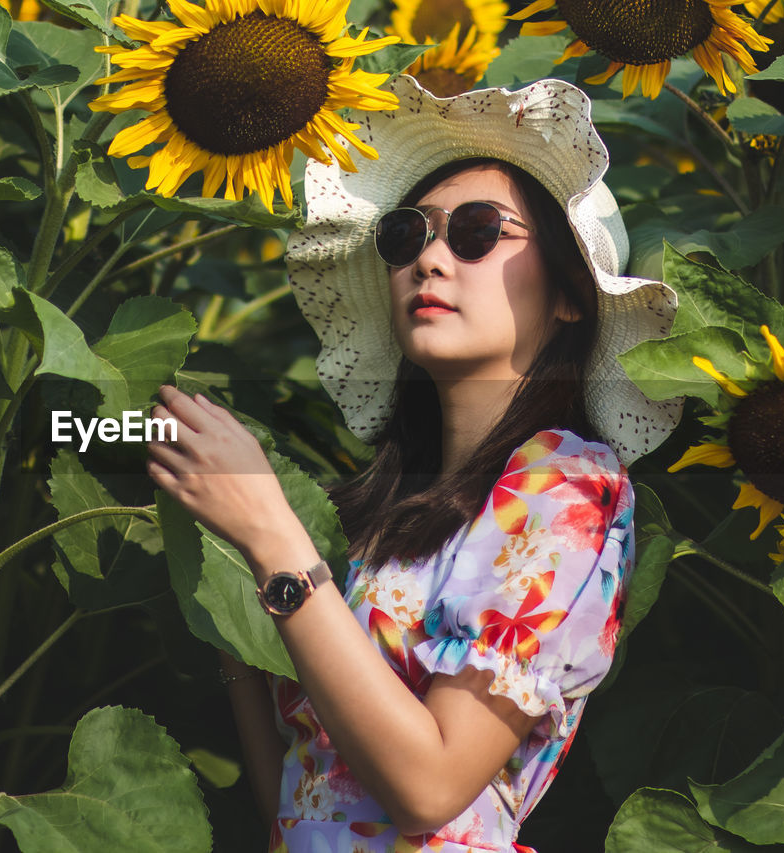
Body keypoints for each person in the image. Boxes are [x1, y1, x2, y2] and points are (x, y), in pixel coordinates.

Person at [145, 76, 682, 853]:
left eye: (474, 231)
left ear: (569, 293)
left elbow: (428, 786)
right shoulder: (373, 513)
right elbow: (306, 797)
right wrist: (239, 621)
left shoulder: (565, 485)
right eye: (406, 234)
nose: (429, 257)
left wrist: (271, 539)